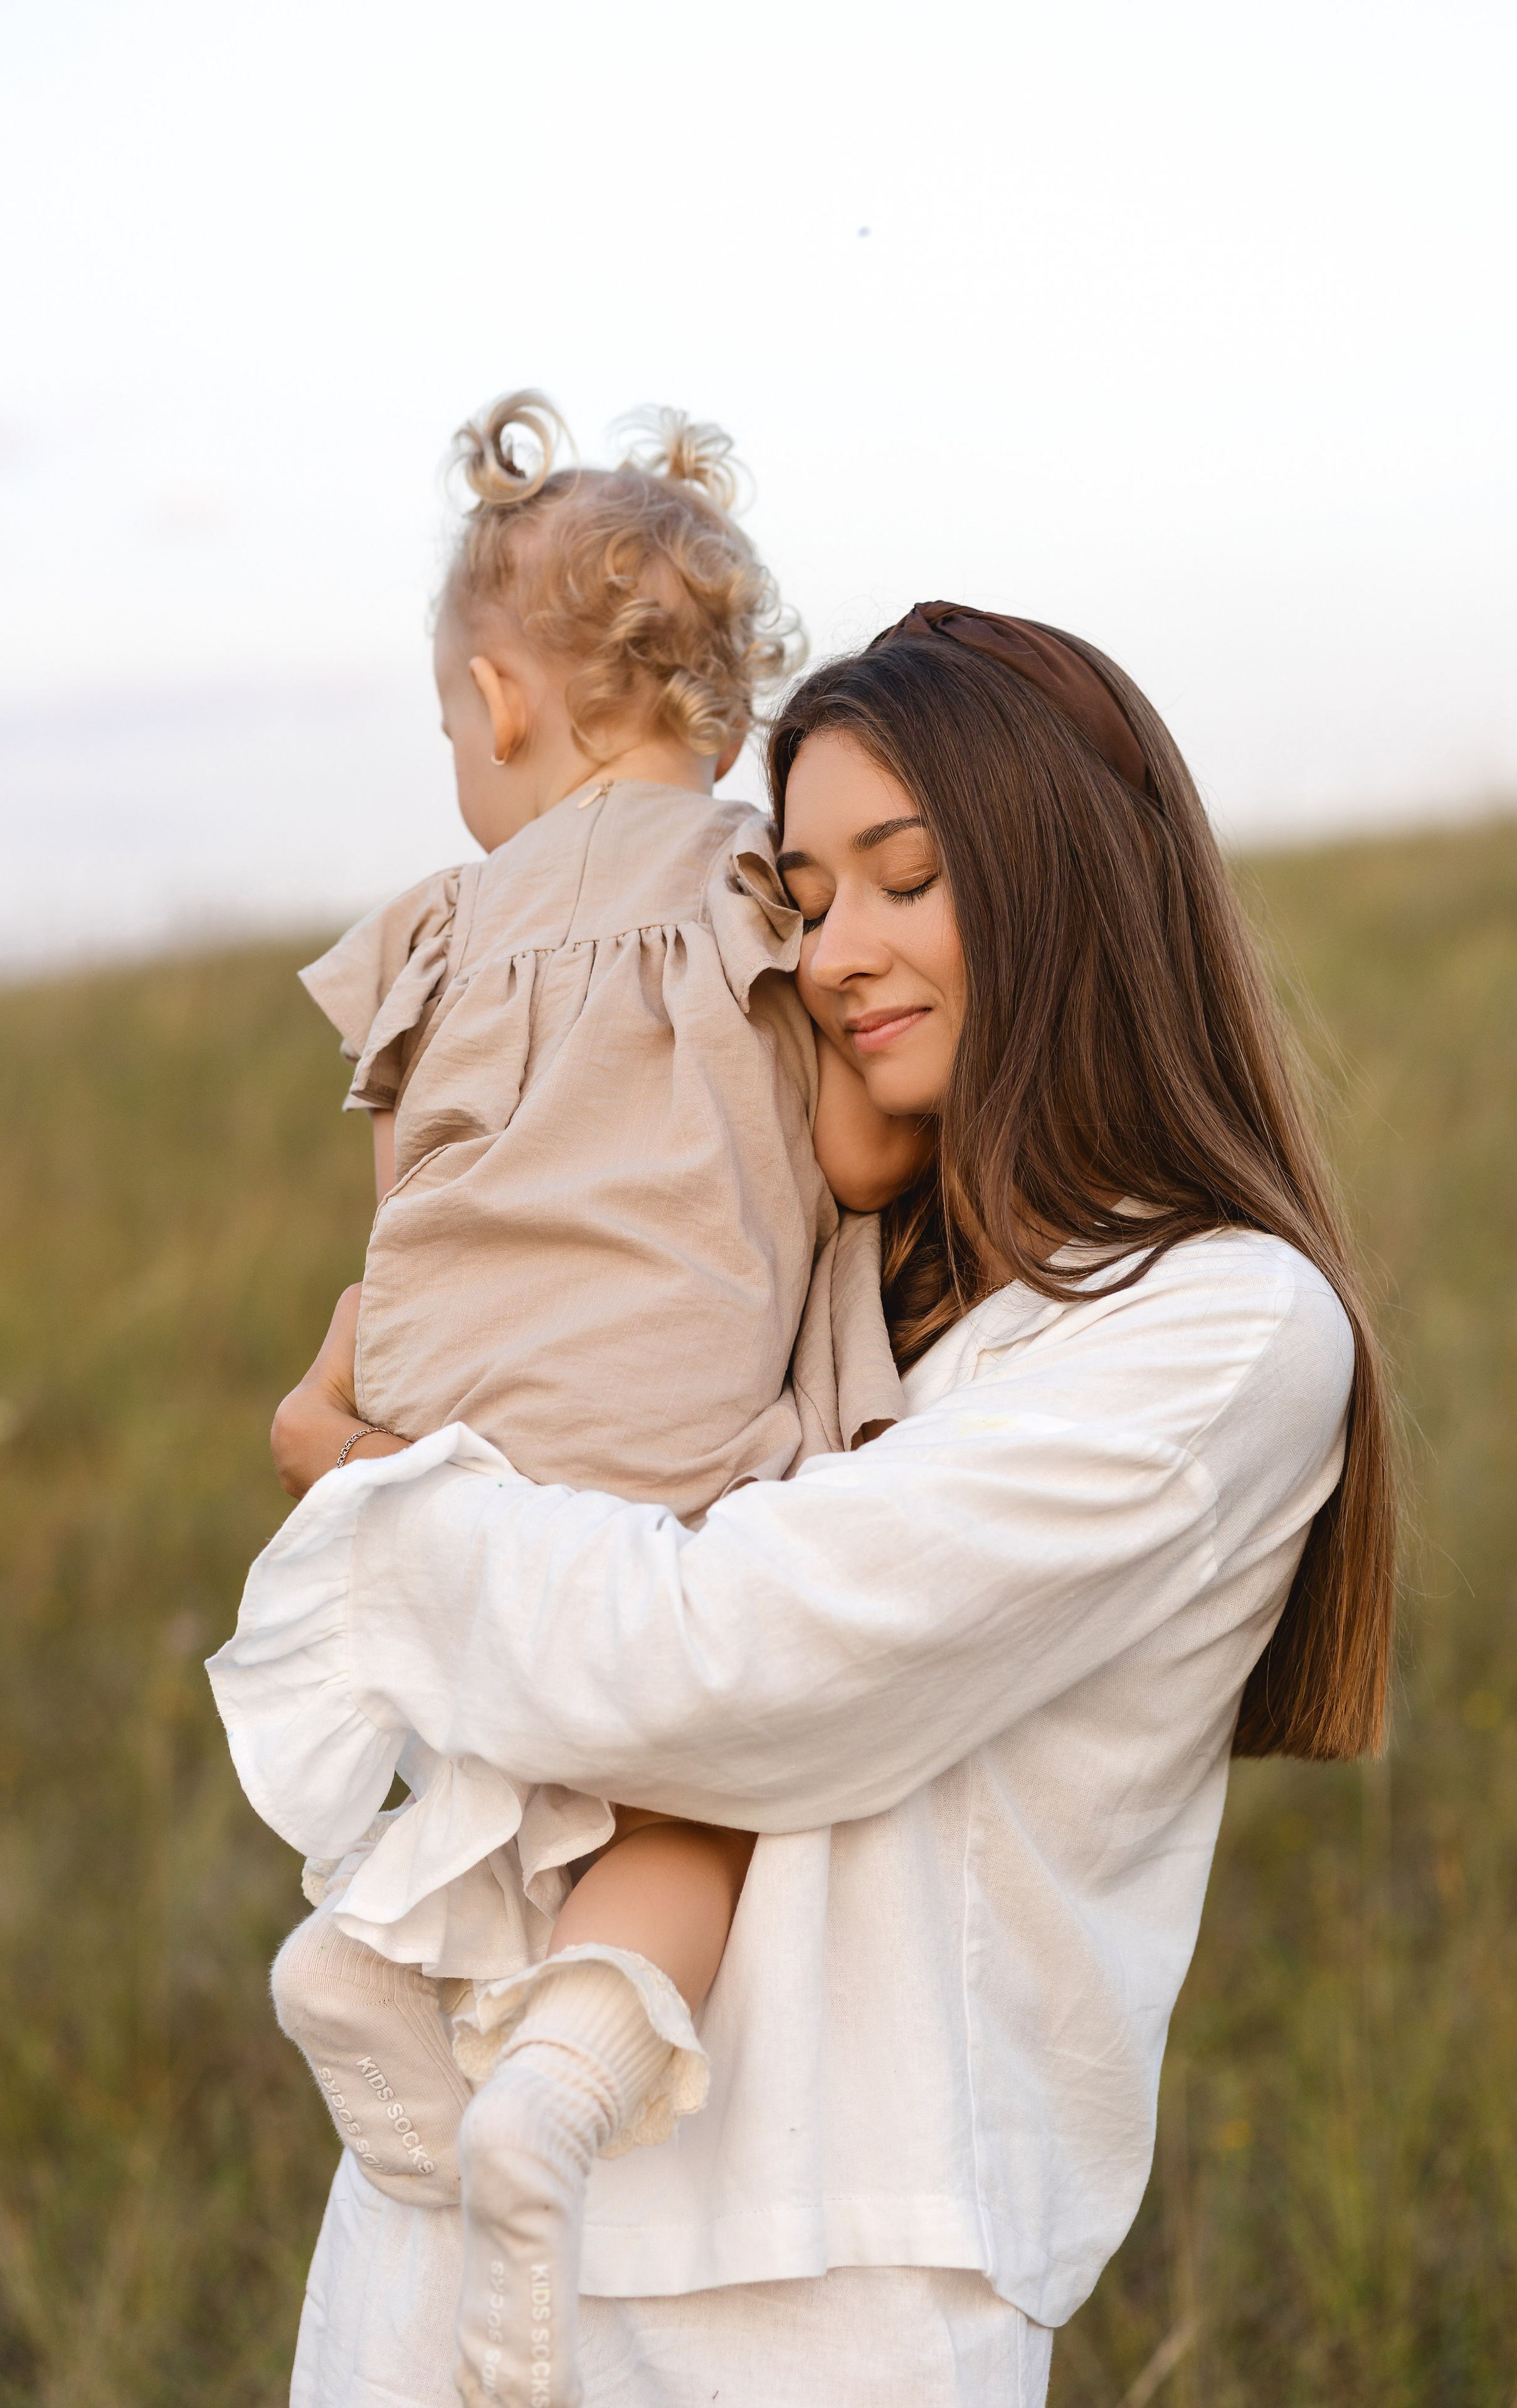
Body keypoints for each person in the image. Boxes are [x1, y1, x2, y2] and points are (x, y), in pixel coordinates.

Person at [221, 601, 1395, 2408]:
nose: (842, 949)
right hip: (454, 2228)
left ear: (1067, 883)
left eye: (906, 878)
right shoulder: (796, 1257)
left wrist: (376, 1503)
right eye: (805, 895)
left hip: (820, 2291)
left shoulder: (1218, 1330)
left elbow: (726, 1664)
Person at [213, 389, 928, 2388]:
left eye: (451, 727)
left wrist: (414, 1396)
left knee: (500, 1710)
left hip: (437, 1418)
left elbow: (404, 1210)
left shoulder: (436, 928)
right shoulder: (749, 895)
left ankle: (371, 1941)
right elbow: (860, 1166)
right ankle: (568, 2082)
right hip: (672, 1428)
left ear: (504, 702)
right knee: (692, 1767)